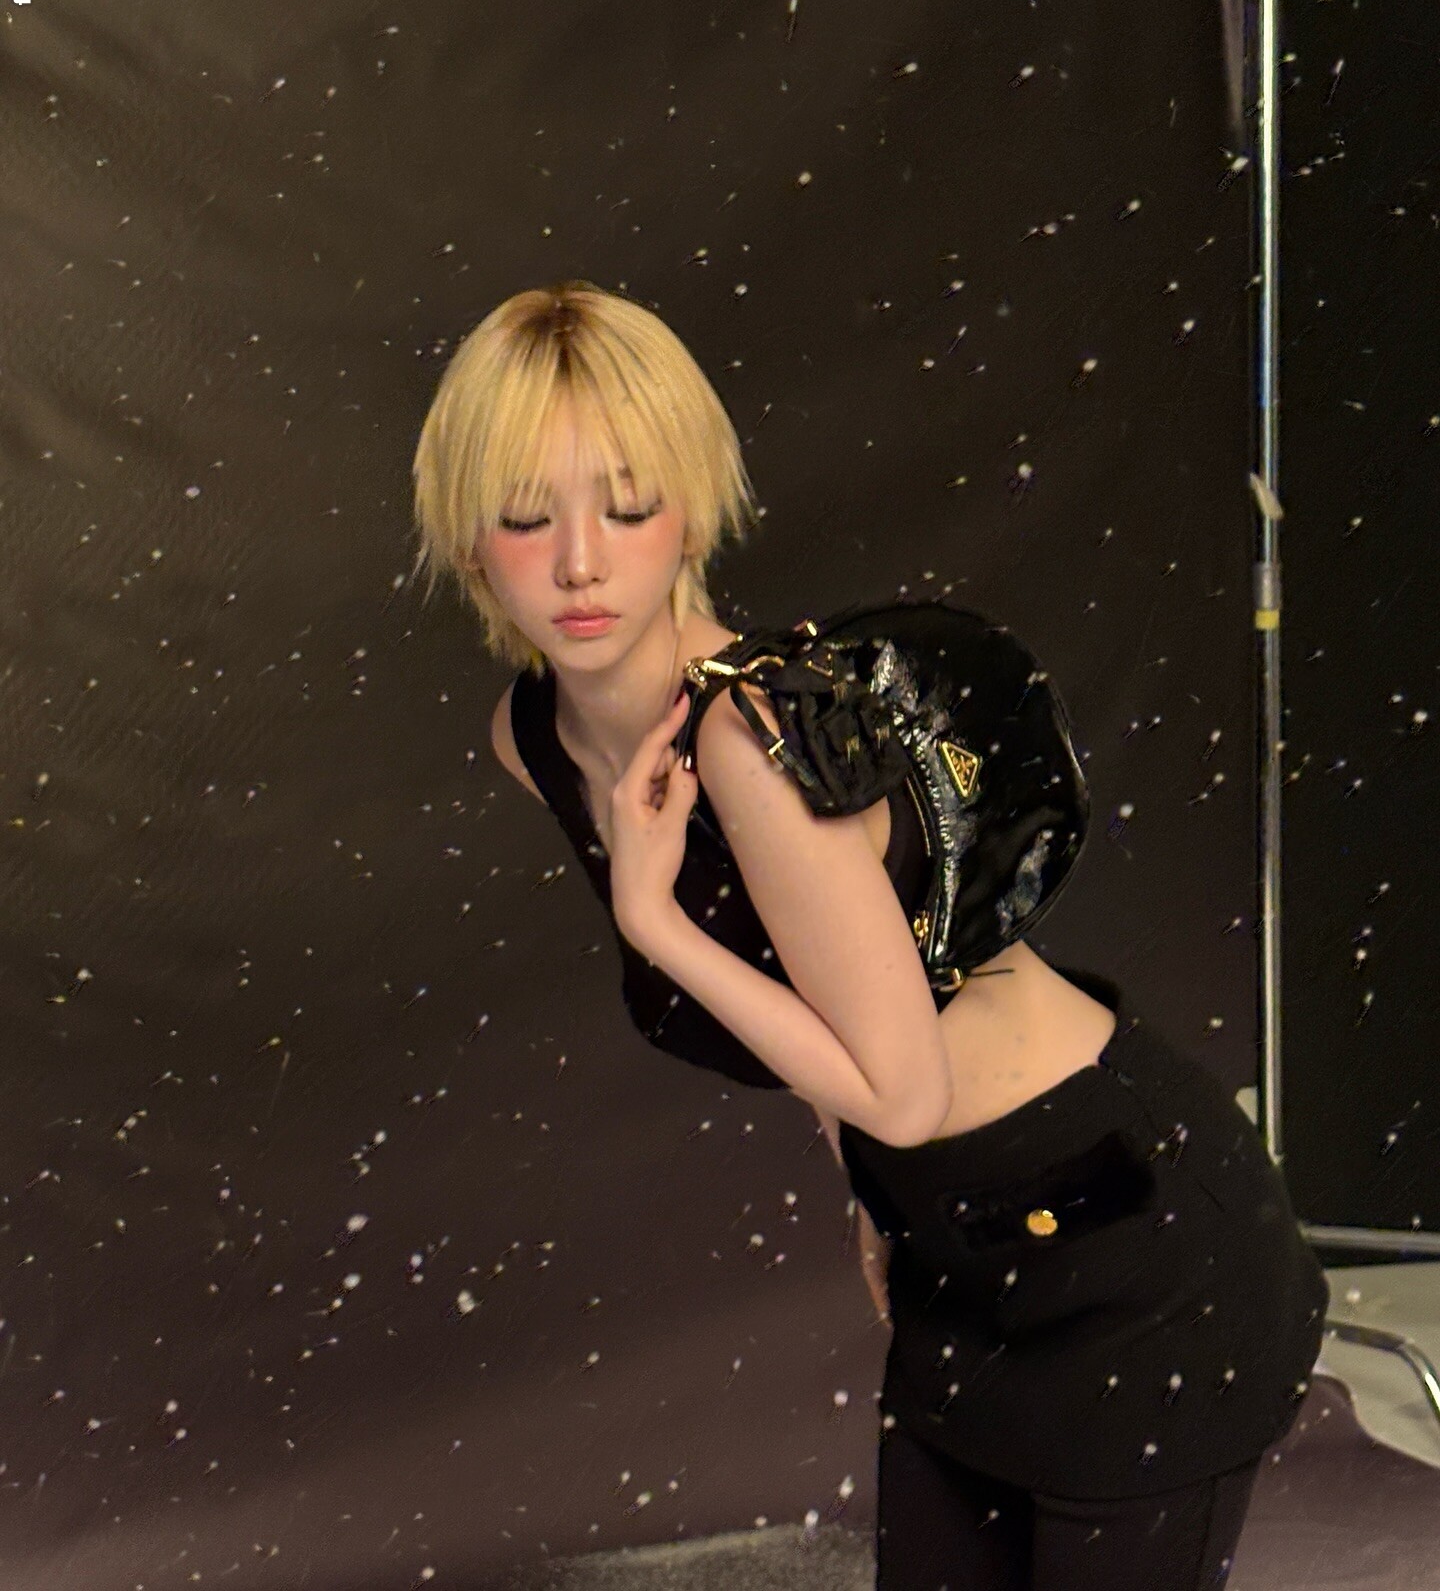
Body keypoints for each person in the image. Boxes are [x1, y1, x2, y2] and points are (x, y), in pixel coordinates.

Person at [410, 280, 1330, 1591]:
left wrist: (653, 922)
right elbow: (818, 1007)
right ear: (466, 538)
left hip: (1131, 1239)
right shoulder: (535, 740)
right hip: (949, 1247)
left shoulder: (752, 735)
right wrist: (877, 1195)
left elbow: (904, 1088)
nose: (579, 563)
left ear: (691, 513)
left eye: (627, 504)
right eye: (523, 515)